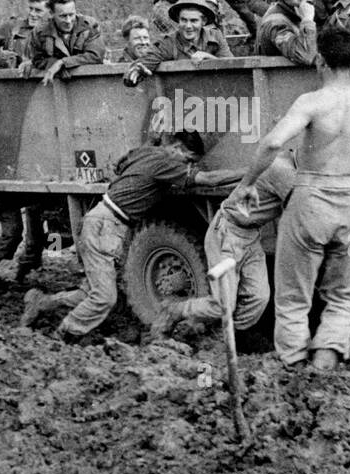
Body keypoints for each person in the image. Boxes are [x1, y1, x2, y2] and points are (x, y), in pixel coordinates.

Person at [235, 26, 350, 371]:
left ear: (320, 60)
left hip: (309, 202)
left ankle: (292, 367)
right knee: (345, 294)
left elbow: (274, 143)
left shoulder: (311, 102)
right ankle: (323, 364)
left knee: (292, 295)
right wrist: (345, 181)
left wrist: (248, 182)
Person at [20, 131, 244, 342]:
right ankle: (64, 335)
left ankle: (42, 303)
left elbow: (120, 164)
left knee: (91, 292)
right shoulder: (166, 162)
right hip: (106, 225)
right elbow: (208, 179)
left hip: (101, 221)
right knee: (104, 298)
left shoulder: (146, 152)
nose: (188, 165)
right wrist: (249, 172)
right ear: (176, 147)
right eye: (188, 159)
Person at [148, 151, 298, 341]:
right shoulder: (282, 170)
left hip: (251, 235)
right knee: (222, 304)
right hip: (228, 232)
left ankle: (223, 337)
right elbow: (304, 211)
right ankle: (174, 310)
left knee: (258, 299)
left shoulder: (297, 168)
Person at [125, 0, 232, 84]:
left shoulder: (215, 37)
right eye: (184, 20)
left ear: (203, 21)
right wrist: (136, 72)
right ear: (178, 20)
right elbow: (146, 61)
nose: (188, 26)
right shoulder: (168, 43)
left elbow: (233, 67)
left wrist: (208, 58)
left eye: (194, 21)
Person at [27, 0, 105, 85]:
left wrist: (63, 63)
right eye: (63, 16)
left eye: (71, 15)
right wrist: (53, 63)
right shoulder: (40, 32)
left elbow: (96, 56)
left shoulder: (89, 25)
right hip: (57, 85)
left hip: (90, 83)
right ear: (52, 13)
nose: (68, 21)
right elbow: (37, 59)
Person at [254, 0, 318, 65]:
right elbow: (307, 56)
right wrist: (307, 21)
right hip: (278, 78)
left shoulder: (297, 11)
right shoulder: (275, 23)